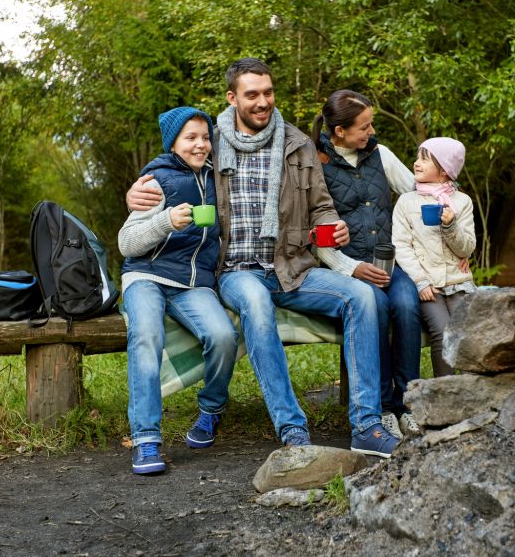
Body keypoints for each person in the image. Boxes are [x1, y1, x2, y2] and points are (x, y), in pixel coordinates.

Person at [128, 58, 400, 458]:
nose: (262, 102)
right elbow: (171, 165)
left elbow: (321, 206)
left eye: (268, 92)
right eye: (251, 94)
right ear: (232, 97)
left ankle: (367, 425)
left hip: (292, 267)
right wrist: (136, 192)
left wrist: (333, 225)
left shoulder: (297, 143)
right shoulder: (211, 142)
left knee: (362, 297)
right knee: (255, 302)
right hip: (235, 271)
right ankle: (292, 428)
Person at [118, 107, 238, 475]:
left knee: (223, 336)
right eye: (191, 138)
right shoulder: (157, 181)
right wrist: (164, 222)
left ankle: (211, 410)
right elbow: (126, 242)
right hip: (146, 277)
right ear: (173, 143)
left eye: (205, 137)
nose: (200, 145)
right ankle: (146, 438)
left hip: (193, 284)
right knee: (146, 337)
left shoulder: (221, 178)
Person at [312, 90, 423, 441]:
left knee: (406, 305)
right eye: (364, 126)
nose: (371, 131)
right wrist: (351, 269)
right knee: (373, 308)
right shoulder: (317, 165)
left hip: (393, 261)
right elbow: (319, 237)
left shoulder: (381, 154)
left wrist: (452, 212)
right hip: (350, 269)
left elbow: (418, 193)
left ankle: (410, 403)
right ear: (339, 131)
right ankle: (384, 407)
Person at [391, 137, 477, 377]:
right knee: (442, 330)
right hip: (428, 286)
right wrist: (420, 280)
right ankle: (443, 392)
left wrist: (451, 227)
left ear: (444, 171)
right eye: (418, 157)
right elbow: (400, 246)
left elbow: (467, 248)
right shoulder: (406, 202)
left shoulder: (462, 202)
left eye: (424, 160)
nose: (416, 163)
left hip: (458, 283)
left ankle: (472, 389)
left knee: (466, 330)